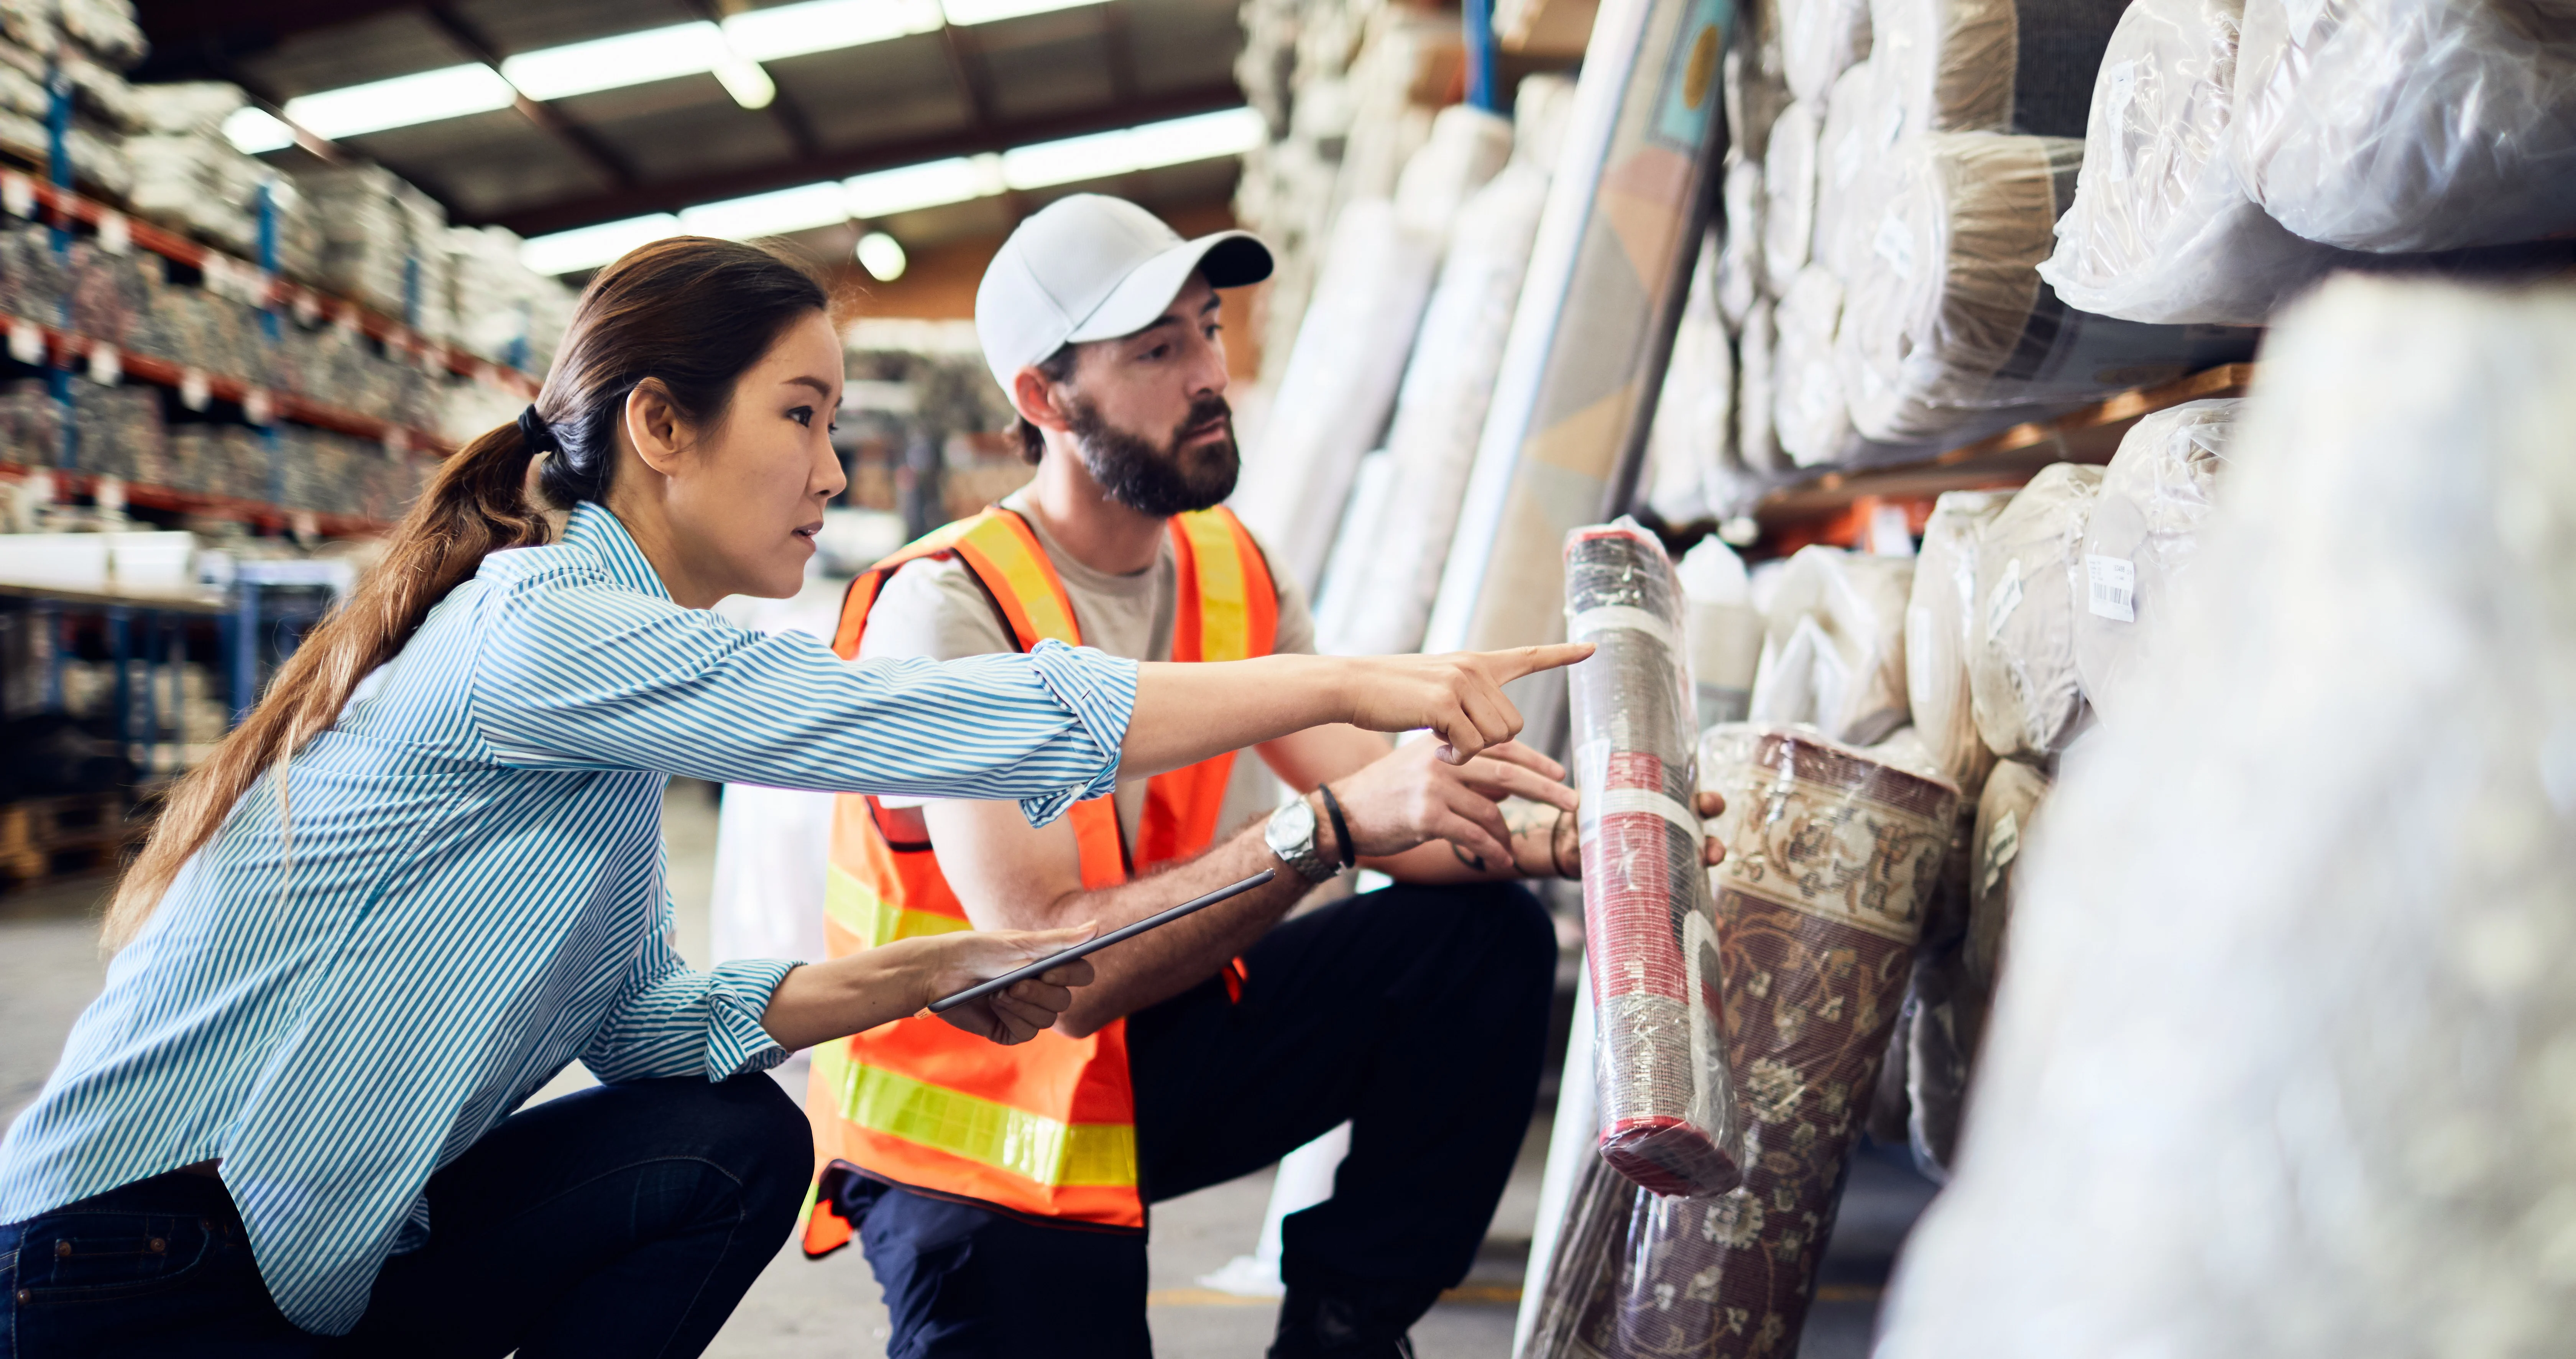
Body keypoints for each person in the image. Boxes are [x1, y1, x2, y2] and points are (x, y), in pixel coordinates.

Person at [0, 236, 1586, 1356]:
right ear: (663, 429)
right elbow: (920, 718)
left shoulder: (608, 718)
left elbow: (649, 1027)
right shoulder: (541, 629)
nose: (834, 473)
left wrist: (930, 973)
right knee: (722, 1152)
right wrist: (1353, 686)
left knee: (722, 1138)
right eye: (803, 418)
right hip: (130, 1260)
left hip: (287, 1255)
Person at [797, 196, 1727, 1359]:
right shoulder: (947, 610)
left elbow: (1398, 806)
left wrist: (1558, 838)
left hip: (1145, 1052)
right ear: (1044, 397)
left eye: (1210, 329)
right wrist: (1325, 829)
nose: (1209, 375)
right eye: (1156, 350)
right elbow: (1049, 961)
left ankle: (1344, 1328)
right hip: (983, 1125)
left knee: (1478, 939)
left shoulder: (1226, 568)